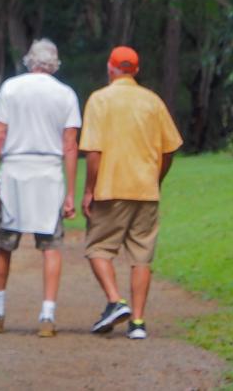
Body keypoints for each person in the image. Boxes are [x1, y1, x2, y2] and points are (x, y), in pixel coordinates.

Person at [0, 38, 81, 338]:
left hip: (14, 173)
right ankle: (47, 315)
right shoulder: (66, 95)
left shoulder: (10, 88)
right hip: (49, 174)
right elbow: (70, 145)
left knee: (4, 243)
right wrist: (71, 192)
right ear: (55, 63)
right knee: (50, 246)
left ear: (30, 60)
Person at [79, 45, 182, 341]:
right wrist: (156, 178)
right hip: (145, 190)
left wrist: (89, 190)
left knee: (98, 249)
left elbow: (94, 152)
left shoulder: (99, 100)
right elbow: (169, 149)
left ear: (110, 68)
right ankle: (137, 322)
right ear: (135, 70)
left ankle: (115, 301)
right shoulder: (153, 102)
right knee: (141, 257)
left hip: (111, 189)